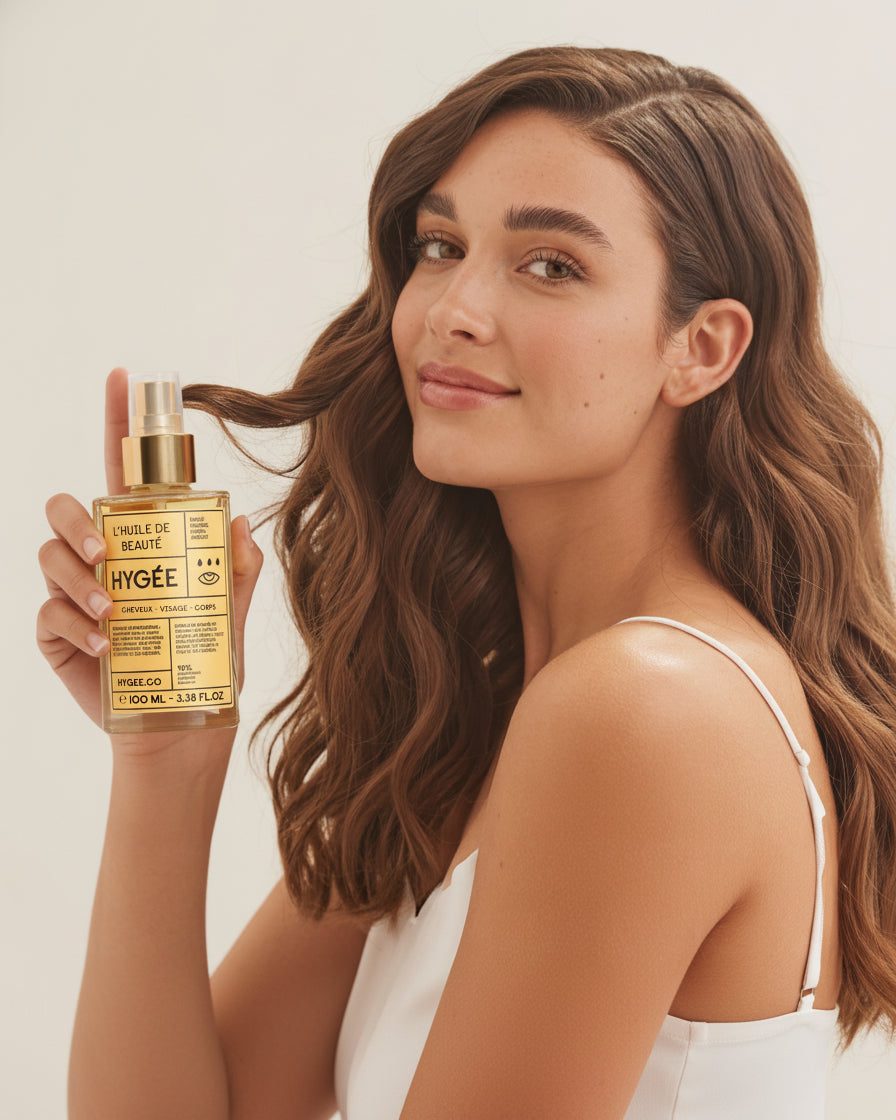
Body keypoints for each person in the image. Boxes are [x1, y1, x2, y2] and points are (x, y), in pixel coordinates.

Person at [38, 44, 896, 1120]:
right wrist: (165, 760)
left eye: (549, 265)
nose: (451, 307)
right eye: (439, 245)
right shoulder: (485, 718)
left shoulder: (643, 708)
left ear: (702, 347)